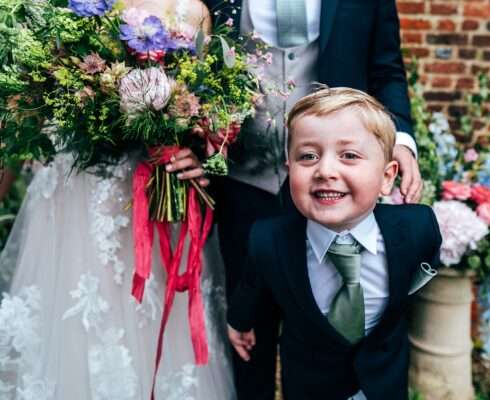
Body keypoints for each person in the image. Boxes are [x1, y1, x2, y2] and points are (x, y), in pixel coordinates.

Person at [178, 1, 423, 398]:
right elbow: (190, 62)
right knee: (246, 328)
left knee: (323, 337)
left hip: (331, 190)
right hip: (243, 180)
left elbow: (386, 69)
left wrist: (402, 144)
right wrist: (184, 139)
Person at [0, 1, 237, 398]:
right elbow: (20, 116)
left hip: (147, 199)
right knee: (69, 326)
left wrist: (198, 156)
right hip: (71, 199)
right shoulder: (53, 8)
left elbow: (204, 115)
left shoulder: (190, 9)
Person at [227, 88, 441, 400]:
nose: (325, 171)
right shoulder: (268, 239)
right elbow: (252, 286)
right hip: (308, 386)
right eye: (308, 156)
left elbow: (427, 264)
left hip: (385, 384)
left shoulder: (419, 228)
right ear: (290, 169)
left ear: (387, 177)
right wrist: (239, 322)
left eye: (349, 156)